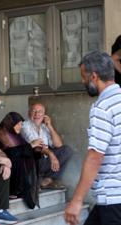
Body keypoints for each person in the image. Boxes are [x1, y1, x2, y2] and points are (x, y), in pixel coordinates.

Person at [64, 52, 121, 225]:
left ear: (94, 76)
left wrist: (77, 200)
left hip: (112, 199)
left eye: (84, 77)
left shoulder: (102, 108)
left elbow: (95, 157)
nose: (83, 81)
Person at [0, 112, 42, 209]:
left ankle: (23, 188)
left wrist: (36, 149)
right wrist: (31, 145)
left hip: (9, 163)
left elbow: (22, 150)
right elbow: (10, 153)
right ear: (11, 123)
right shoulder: (1, 133)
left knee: (31, 156)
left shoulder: (16, 134)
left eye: (21, 124)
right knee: (16, 158)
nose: (21, 126)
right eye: (18, 124)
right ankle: (14, 190)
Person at [21, 102, 73, 189]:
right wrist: (51, 154)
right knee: (38, 153)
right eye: (34, 111)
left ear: (44, 115)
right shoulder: (25, 125)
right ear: (29, 113)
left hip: (44, 160)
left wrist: (50, 126)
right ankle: (40, 177)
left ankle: (48, 178)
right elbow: (37, 146)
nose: (37, 114)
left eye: (40, 111)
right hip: (32, 161)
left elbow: (59, 145)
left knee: (66, 150)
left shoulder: (44, 127)